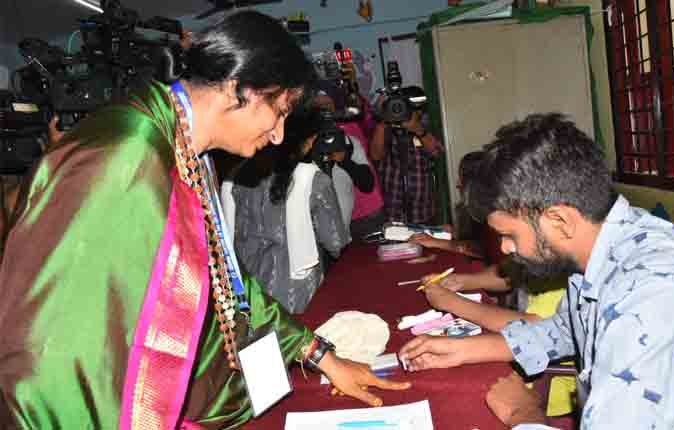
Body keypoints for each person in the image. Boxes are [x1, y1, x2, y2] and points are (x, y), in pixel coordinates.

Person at [0, 11, 409, 429]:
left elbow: (225, 278)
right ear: (240, 90)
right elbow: (62, 338)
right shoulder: (132, 155)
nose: (279, 135)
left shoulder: (190, 152)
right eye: (280, 111)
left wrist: (318, 354)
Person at [399, 113, 674, 429]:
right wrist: (464, 350)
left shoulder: (654, 294)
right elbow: (565, 329)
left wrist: (525, 414)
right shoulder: (608, 247)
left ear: (560, 219)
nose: (505, 248)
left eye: (509, 235)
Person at [231, 107, 349, 314]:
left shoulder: (240, 174)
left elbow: (240, 237)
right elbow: (336, 242)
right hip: (299, 291)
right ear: (311, 139)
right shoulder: (313, 179)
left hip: (252, 290)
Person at [312, 86, 384, 240]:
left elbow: (367, 183)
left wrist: (344, 160)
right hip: (320, 232)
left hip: (365, 214)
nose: (324, 113)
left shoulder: (349, 132)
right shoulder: (304, 141)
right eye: (318, 108)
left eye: (327, 106)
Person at [370, 86, 443, 224]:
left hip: (423, 212)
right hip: (392, 212)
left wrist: (418, 129)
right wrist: (384, 122)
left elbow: (436, 152)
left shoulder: (427, 127)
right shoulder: (386, 128)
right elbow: (375, 156)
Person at [409, 151, 485, 258]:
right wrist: (453, 232)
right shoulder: (469, 209)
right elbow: (474, 238)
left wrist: (436, 242)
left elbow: (483, 249)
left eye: (462, 178)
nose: (458, 184)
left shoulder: (488, 211)